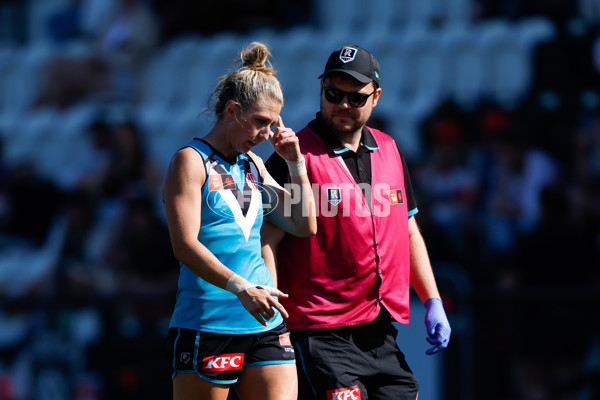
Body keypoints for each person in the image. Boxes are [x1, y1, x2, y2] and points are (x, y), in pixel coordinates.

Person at [264, 45, 451, 400]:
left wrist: (432, 300)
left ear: (376, 97)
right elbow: (267, 240)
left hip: (379, 330)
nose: (343, 105)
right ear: (321, 90)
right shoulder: (291, 155)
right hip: (320, 329)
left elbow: (407, 229)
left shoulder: (390, 149)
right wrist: (275, 318)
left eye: (356, 97)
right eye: (333, 94)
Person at [163, 42, 316, 400]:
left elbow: (304, 223)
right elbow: (183, 245)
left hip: (265, 322)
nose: (266, 134)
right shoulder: (189, 161)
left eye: (273, 124)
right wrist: (240, 287)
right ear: (232, 111)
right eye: (261, 122)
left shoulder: (255, 166)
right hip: (209, 322)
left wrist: (296, 165)